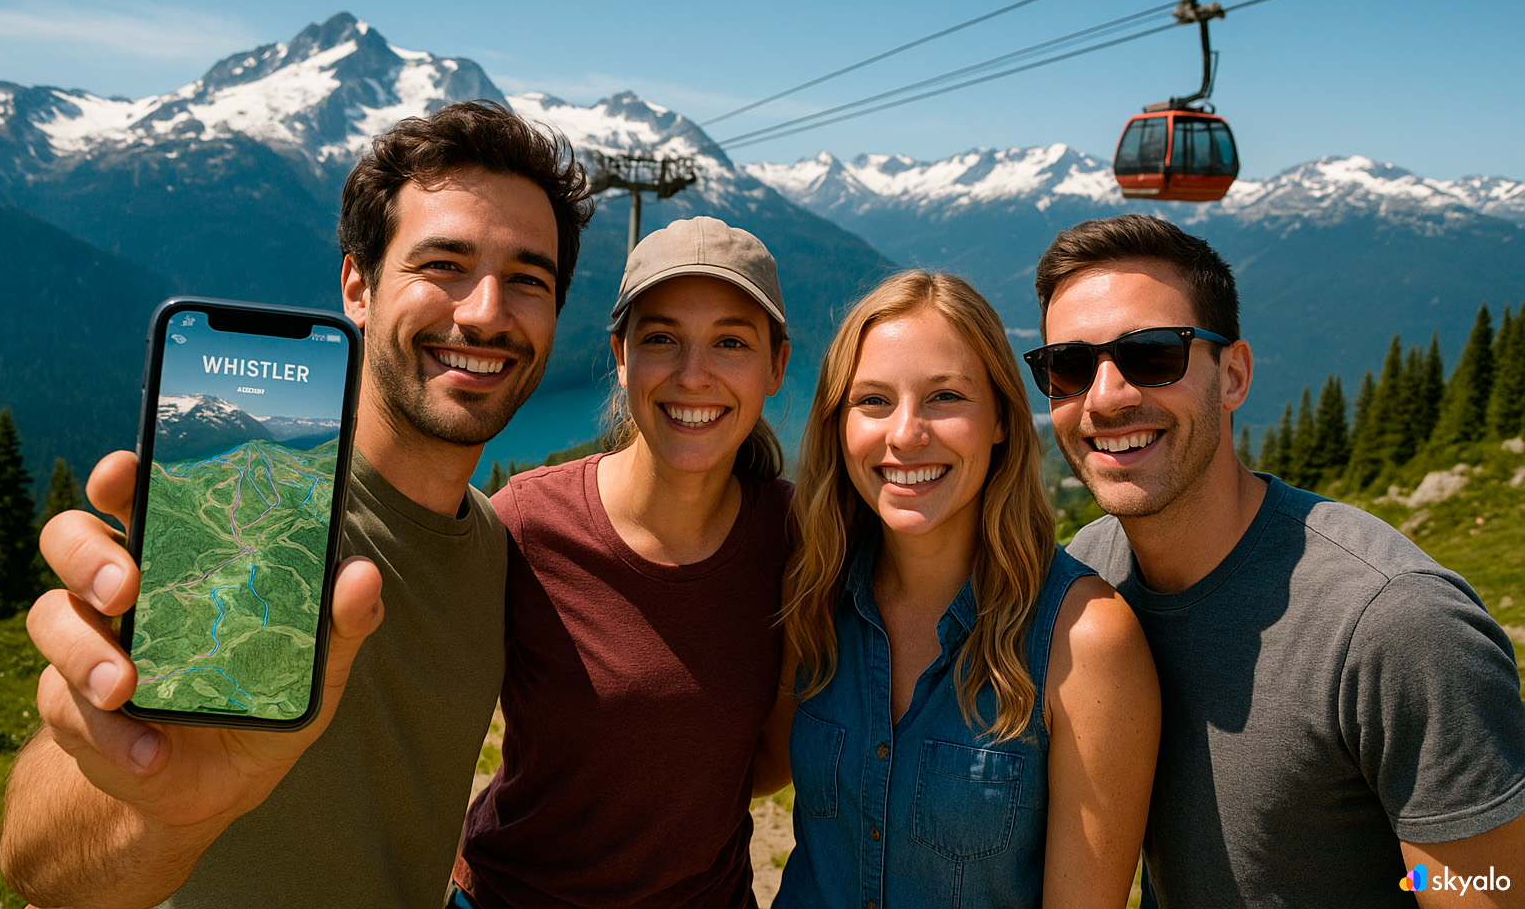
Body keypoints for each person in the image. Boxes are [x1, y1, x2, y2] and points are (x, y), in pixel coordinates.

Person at [0, 100, 594, 908]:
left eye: (528, 279)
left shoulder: (494, 549)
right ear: (358, 284)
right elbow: (33, 863)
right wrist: (158, 808)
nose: (486, 312)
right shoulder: (243, 512)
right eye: (443, 265)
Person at [1027, 213, 1525, 908]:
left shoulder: (1397, 624)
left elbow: (1491, 886)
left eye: (1153, 355)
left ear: (1233, 376)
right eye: (1069, 367)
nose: (1106, 396)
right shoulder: (1088, 580)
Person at [771, 270, 1159, 909]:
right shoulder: (814, 595)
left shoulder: (1083, 642)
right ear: (838, 425)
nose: (904, 434)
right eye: (872, 401)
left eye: (945, 397)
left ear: (1003, 419)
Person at [450, 215, 794, 908]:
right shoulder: (527, 523)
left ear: (776, 367)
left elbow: (765, 763)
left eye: (730, 342)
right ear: (621, 354)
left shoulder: (798, 542)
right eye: (662, 338)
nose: (693, 375)